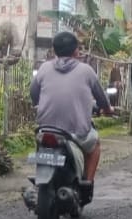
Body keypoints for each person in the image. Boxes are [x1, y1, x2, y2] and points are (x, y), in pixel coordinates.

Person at [29, 30, 112, 205]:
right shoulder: (86, 71)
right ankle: (87, 185)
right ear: (76, 51)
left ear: (54, 50)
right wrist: (107, 109)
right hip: (75, 134)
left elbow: (34, 95)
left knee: (40, 144)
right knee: (95, 145)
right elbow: (102, 99)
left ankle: (40, 180)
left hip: (45, 130)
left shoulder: (44, 68)